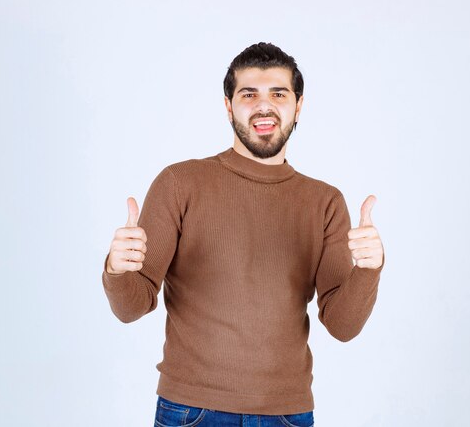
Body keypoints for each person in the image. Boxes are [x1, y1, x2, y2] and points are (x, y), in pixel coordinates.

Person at [102, 42, 385, 427]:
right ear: (228, 106)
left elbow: (342, 326)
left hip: (287, 414)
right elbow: (131, 307)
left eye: (278, 94)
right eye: (248, 94)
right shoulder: (179, 183)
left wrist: (369, 269)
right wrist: (117, 270)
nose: (263, 106)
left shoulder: (325, 201)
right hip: (191, 411)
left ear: (298, 106)